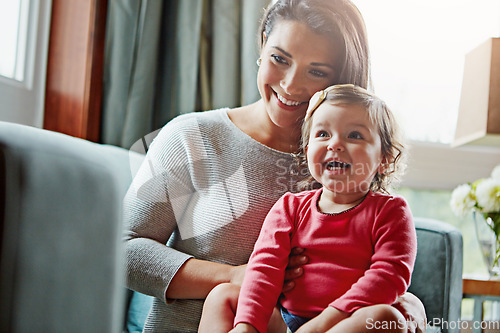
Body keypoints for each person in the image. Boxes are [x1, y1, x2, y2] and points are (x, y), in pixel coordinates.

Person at [123, 0, 427, 332]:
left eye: (317, 71)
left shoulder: (344, 160)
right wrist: (239, 276)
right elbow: (122, 251)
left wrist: (409, 307)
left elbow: (380, 267)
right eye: (279, 59)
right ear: (262, 44)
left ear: (340, 79)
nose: (291, 85)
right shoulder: (190, 136)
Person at [198, 84, 417, 333]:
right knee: (222, 296)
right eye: (323, 134)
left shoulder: (391, 211)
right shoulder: (290, 207)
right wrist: (247, 326)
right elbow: (264, 269)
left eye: (354, 135)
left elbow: (389, 276)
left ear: (384, 160)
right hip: (285, 319)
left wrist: (321, 325)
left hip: (344, 323)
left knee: (386, 318)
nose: (335, 144)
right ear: (307, 149)